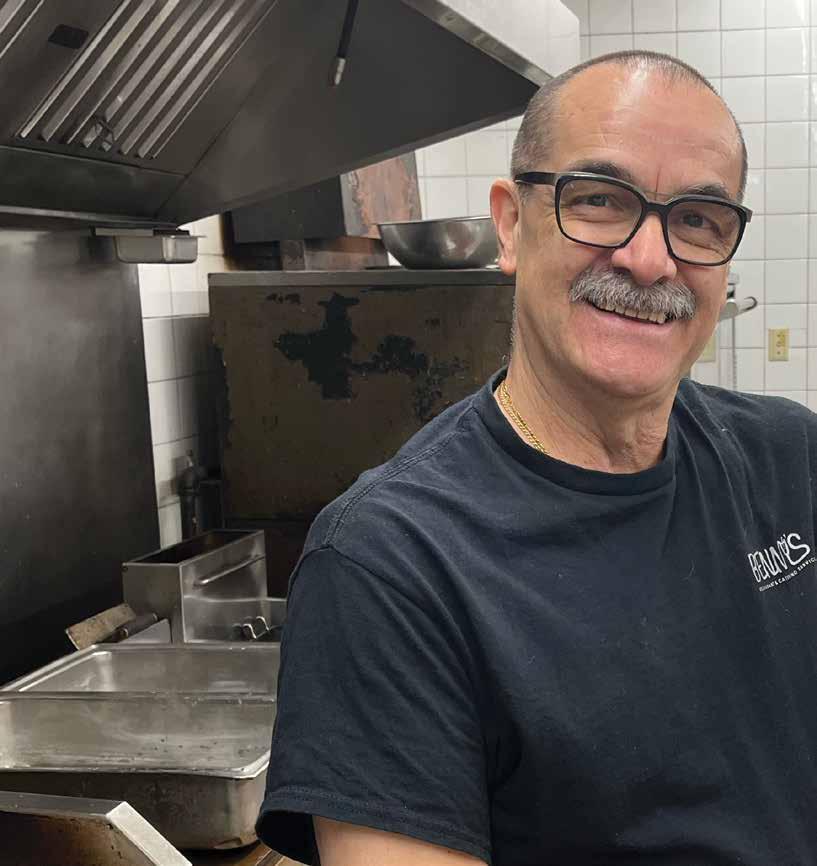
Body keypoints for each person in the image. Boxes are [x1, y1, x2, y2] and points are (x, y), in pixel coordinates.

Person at [256, 51, 817, 865]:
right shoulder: (389, 561)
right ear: (511, 225)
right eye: (598, 200)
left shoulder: (788, 458)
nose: (649, 259)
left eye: (698, 219)